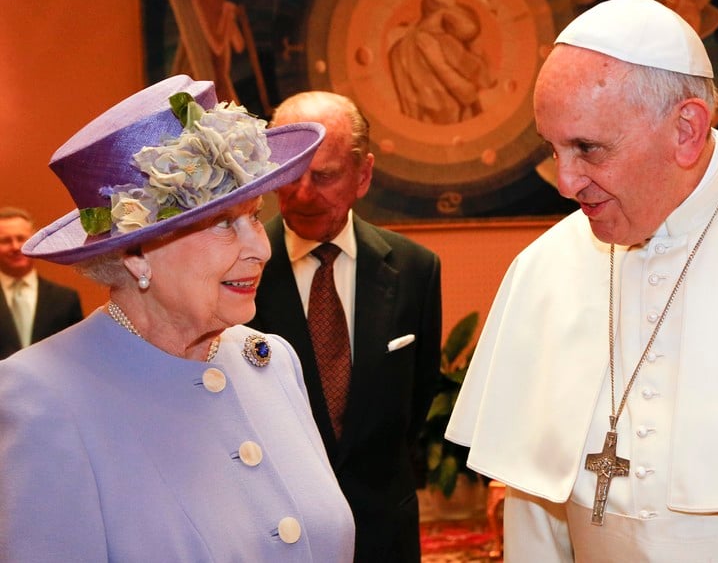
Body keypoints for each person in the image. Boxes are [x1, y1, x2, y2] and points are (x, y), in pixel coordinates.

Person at [445, 0, 718, 562]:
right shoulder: (544, 269)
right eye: (552, 148)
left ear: (686, 130)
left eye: (588, 149)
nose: (565, 182)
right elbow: (536, 509)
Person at [0, 75, 355, 561]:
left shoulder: (271, 362)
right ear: (137, 254)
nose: (261, 247)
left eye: (253, 215)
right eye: (222, 225)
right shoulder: (42, 395)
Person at [249, 91, 442, 562]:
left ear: (364, 174)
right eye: (291, 173)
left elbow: (414, 405)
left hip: (384, 532)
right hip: (271, 532)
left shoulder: (416, 270)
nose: (302, 193)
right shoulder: (239, 271)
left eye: (325, 176)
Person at [0, 206, 83, 359]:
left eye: (21, 238)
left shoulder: (65, 300)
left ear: (33, 241)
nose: (15, 247)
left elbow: (76, 355)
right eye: (5, 241)